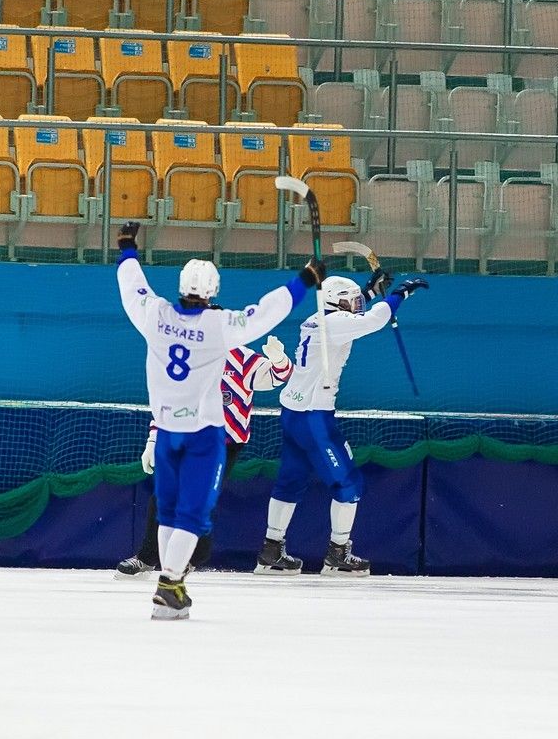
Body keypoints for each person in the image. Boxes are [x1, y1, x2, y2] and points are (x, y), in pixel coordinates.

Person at [115, 221, 322, 619]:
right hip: (205, 436)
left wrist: (127, 247)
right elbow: (266, 312)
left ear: (180, 286)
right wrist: (305, 279)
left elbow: (132, 286)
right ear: (213, 292)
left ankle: (170, 580)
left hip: (166, 431)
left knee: (168, 511)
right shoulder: (218, 326)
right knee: (192, 514)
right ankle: (170, 584)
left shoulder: (154, 316)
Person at [255, 269, 428, 577]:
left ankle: (271, 549)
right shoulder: (334, 323)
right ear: (337, 302)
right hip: (314, 418)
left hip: (293, 413)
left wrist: (370, 292)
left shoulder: (321, 318)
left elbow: (356, 315)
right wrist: (399, 293)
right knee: (348, 482)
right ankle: (338, 552)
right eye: (352, 301)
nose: (357, 304)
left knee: (291, 480)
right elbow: (372, 320)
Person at [116, 338, 293, 577]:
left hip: (225, 443)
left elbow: (278, 376)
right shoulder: (186, 359)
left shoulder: (241, 358)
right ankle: (146, 559)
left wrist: (279, 358)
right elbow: (167, 402)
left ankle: (191, 558)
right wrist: (153, 440)